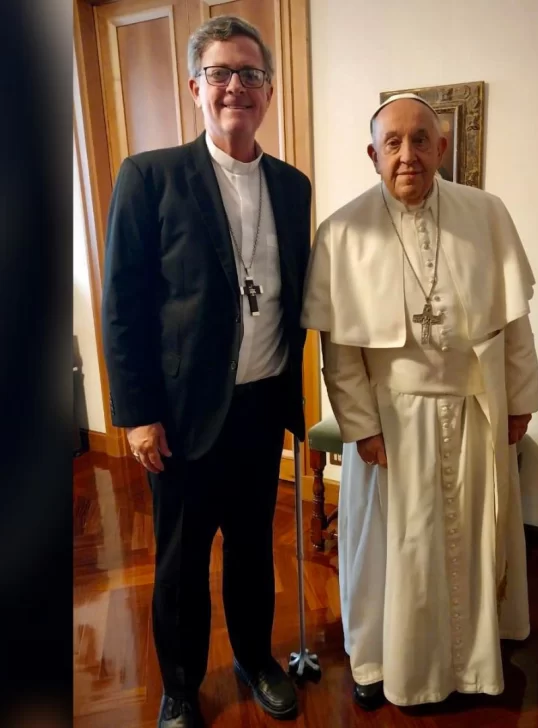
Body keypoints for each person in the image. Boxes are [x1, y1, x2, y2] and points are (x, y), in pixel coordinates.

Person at [101, 16, 311, 727]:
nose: (235, 88)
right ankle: (181, 688)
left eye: (250, 74)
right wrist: (135, 413)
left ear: (269, 92)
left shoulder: (292, 185)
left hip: (259, 404)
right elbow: (122, 305)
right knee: (183, 562)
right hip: (182, 415)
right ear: (196, 87)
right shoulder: (149, 176)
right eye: (220, 73)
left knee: (254, 548)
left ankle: (256, 660)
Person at [301, 93, 538, 709]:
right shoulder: (343, 231)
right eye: (394, 143)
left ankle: (472, 667)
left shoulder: (486, 214)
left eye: (421, 140)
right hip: (392, 422)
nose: (408, 155)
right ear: (373, 153)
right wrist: (361, 427)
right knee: (389, 550)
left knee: (470, 543)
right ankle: (379, 661)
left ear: (441, 147)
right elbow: (340, 350)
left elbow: (515, 326)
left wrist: (520, 401)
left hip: (473, 410)